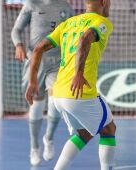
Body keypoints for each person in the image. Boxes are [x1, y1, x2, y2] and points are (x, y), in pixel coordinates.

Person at [25, 0, 116, 169]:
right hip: (79, 92)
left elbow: (38, 49)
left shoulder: (69, 23)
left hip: (59, 94)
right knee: (109, 129)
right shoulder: (101, 22)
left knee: (84, 133)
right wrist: (79, 73)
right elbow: (85, 39)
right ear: (104, 2)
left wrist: (32, 81)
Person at [11, 0, 74, 166]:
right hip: (36, 61)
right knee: (37, 105)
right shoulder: (31, 4)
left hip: (58, 62)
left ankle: (49, 138)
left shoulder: (66, 7)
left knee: (55, 102)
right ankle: (34, 147)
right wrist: (18, 45)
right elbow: (16, 30)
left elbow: (73, 32)